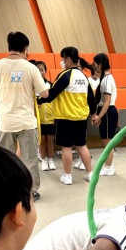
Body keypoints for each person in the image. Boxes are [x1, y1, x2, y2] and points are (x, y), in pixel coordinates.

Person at [0, 32, 48, 202]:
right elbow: (45, 93)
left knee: (5, 160)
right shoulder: (31, 68)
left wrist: (3, 90)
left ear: (9, 46)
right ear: (25, 49)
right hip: (26, 121)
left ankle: (8, 192)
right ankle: (31, 192)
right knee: (30, 159)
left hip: (5, 122)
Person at [38, 46, 96, 185]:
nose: (62, 62)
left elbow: (51, 94)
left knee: (67, 147)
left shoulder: (65, 75)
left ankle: (67, 176)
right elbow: (91, 99)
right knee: (82, 145)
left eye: (63, 59)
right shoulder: (83, 77)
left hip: (65, 118)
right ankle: (90, 174)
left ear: (68, 59)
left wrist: (37, 100)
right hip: (81, 118)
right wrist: (93, 114)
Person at [91, 53, 118, 176]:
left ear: (100, 65)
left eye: (95, 63)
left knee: (108, 142)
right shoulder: (106, 78)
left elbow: (107, 101)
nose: (94, 66)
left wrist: (99, 117)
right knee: (106, 141)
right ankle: (109, 165)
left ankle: (108, 167)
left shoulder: (106, 80)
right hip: (106, 111)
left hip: (107, 111)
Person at [34, 60, 56, 172]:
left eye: (42, 70)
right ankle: (43, 160)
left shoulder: (51, 85)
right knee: (41, 140)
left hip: (50, 118)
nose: (40, 72)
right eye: (37, 70)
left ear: (45, 71)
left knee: (50, 139)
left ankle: (50, 160)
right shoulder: (33, 86)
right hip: (39, 118)